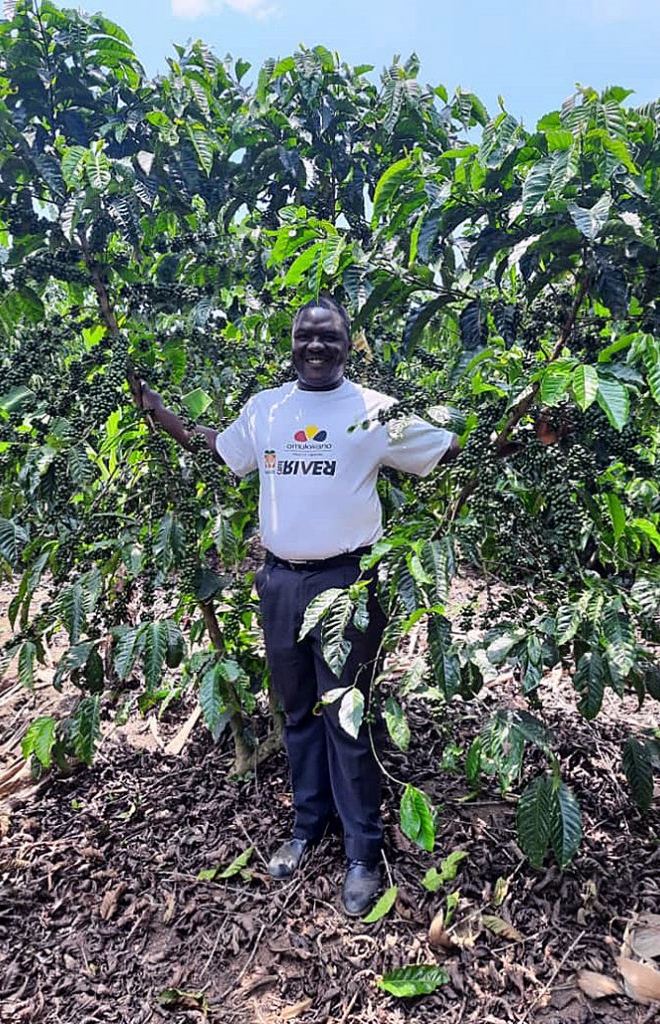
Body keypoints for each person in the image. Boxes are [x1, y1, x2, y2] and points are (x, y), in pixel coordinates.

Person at [139, 295, 459, 916]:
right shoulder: (267, 409)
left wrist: (524, 432)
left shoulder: (374, 411)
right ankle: (307, 827)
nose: (316, 347)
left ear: (347, 343)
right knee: (296, 712)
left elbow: (447, 451)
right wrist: (164, 415)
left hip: (347, 584)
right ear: (291, 342)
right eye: (305, 337)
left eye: (329, 337)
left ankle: (363, 852)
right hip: (281, 583)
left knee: (346, 715)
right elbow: (219, 448)